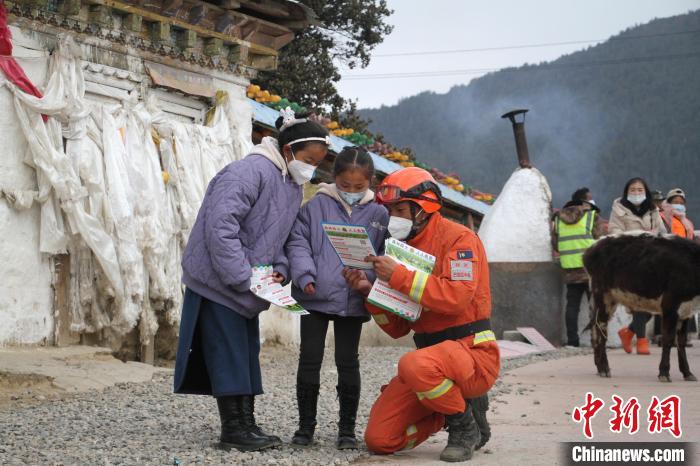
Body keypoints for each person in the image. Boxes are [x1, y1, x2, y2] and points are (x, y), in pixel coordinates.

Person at [173, 108, 330, 452]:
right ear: (288, 150)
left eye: (317, 162)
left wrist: (281, 269)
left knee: (245, 352)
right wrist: (241, 275)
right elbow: (220, 227)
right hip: (220, 281)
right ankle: (232, 429)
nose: (312, 168)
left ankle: (246, 422)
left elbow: (282, 237)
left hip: (249, 285)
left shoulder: (290, 183)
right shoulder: (249, 172)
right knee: (227, 351)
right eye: (308, 159)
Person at [343, 167, 499, 463]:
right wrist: (369, 292)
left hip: (472, 352)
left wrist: (399, 276)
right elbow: (399, 328)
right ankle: (446, 410)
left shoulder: (460, 240)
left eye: (400, 209)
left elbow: (456, 297)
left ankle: (465, 428)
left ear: (423, 208)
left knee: (413, 364)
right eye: (390, 210)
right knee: (380, 440)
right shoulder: (400, 250)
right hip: (429, 362)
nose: (394, 217)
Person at [285, 148, 389, 450]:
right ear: (334, 178)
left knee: (348, 363)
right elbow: (298, 241)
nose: (352, 192)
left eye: (360, 187)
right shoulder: (316, 205)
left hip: (353, 302)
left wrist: (366, 282)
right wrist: (305, 276)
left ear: (371, 183)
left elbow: (384, 258)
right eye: (346, 186)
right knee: (309, 360)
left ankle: (347, 431)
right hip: (315, 296)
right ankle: (305, 428)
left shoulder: (380, 215)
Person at [610, 177, 666, 356]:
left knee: (653, 305)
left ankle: (628, 333)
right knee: (639, 302)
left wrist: (655, 237)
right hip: (630, 262)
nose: (636, 193)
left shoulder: (652, 210)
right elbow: (614, 232)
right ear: (626, 192)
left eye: (639, 190)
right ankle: (642, 341)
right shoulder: (618, 209)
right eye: (632, 190)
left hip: (652, 262)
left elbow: (663, 232)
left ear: (646, 192)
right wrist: (636, 236)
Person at [552, 192, 604, 347]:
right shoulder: (591, 217)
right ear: (583, 206)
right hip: (591, 270)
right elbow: (600, 241)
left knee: (572, 306)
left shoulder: (558, 220)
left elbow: (555, 244)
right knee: (596, 305)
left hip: (570, 270)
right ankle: (598, 339)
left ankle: (573, 341)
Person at [656, 188, 696, 342]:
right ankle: (663, 336)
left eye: (681, 203)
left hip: (685, 267)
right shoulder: (662, 218)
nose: (679, 205)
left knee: (685, 303)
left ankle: (682, 336)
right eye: (675, 202)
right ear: (669, 203)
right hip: (668, 266)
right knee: (667, 303)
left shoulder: (687, 222)